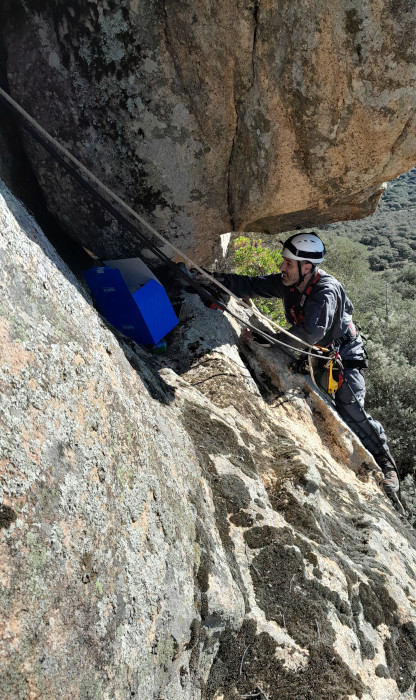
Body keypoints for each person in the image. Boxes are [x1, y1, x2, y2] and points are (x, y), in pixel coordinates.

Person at [210, 231, 399, 496]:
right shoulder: (290, 283)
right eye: (284, 261)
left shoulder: (326, 291)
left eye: (288, 263)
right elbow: (254, 284)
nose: (281, 267)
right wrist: (217, 279)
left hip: (342, 356)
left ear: (307, 267)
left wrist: (272, 340)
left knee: (350, 407)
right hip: (317, 351)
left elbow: (311, 332)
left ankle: (385, 464)